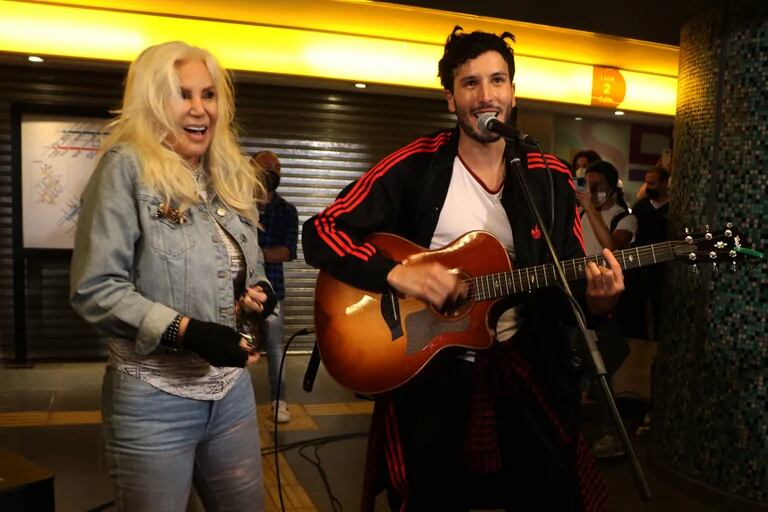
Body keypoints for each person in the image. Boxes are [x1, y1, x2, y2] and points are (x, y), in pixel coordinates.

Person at [302, 26, 624, 512]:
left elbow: (567, 277)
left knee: (547, 493)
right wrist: (395, 273)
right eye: (469, 83)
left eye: (497, 80)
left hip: (525, 370)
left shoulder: (550, 174)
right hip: (429, 369)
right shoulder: (416, 164)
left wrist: (599, 303)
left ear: (513, 94)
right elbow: (322, 230)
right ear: (450, 97)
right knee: (430, 496)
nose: (485, 94)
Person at [69, 41, 276, 511]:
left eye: (209, 95)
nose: (199, 109)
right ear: (152, 102)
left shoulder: (226, 174)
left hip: (230, 393)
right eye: (182, 94)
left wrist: (254, 292)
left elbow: (246, 261)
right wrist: (186, 331)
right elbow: (94, 289)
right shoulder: (125, 169)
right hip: (152, 399)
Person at [250, 150, 299, 423]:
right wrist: (267, 252)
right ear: (251, 167)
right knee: (236, 344)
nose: (273, 172)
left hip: (273, 291)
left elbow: (287, 251)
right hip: (237, 291)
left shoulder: (287, 211)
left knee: (275, 347)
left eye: (277, 168)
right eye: (267, 166)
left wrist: (252, 253)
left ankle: (279, 401)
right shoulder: (236, 205)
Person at [576, 160, 637, 256]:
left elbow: (611, 247)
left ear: (610, 188)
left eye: (596, 185)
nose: (590, 189)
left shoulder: (625, 218)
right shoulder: (580, 212)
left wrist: (589, 208)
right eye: (587, 184)